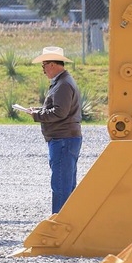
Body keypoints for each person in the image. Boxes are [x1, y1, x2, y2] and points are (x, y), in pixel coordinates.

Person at [29, 46, 82, 214]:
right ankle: (67, 221)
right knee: (66, 184)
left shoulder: (63, 84)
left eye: (43, 65)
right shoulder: (63, 82)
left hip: (62, 139)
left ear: (51, 64)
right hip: (66, 138)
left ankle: (59, 224)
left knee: (60, 186)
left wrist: (38, 115)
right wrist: (39, 111)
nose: (43, 70)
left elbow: (59, 112)